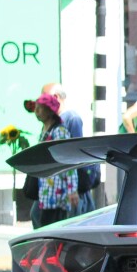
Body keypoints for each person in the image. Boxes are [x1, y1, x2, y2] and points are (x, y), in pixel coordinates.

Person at [41, 82, 98, 214]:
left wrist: (73, 189)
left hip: (67, 188)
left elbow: (74, 155)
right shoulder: (52, 120)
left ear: (55, 97)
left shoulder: (71, 118)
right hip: (53, 187)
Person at [31, 93, 79, 226]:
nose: (36, 112)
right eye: (36, 108)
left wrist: (72, 189)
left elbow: (68, 160)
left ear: (49, 111)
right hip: (46, 191)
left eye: (40, 108)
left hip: (58, 192)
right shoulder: (44, 131)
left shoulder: (59, 131)